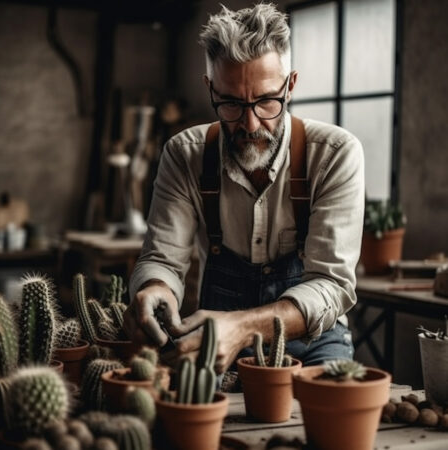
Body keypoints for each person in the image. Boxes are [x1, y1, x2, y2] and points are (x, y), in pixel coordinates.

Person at [123, 3, 364, 373]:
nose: (250, 124)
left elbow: (331, 284)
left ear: (290, 85)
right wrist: (156, 287)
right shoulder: (184, 154)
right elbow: (162, 258)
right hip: (215, 340)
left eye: (267, 100)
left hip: (314, 341)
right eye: (231, 103)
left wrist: (244, 325)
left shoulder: (334, 154)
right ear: (210, 89)